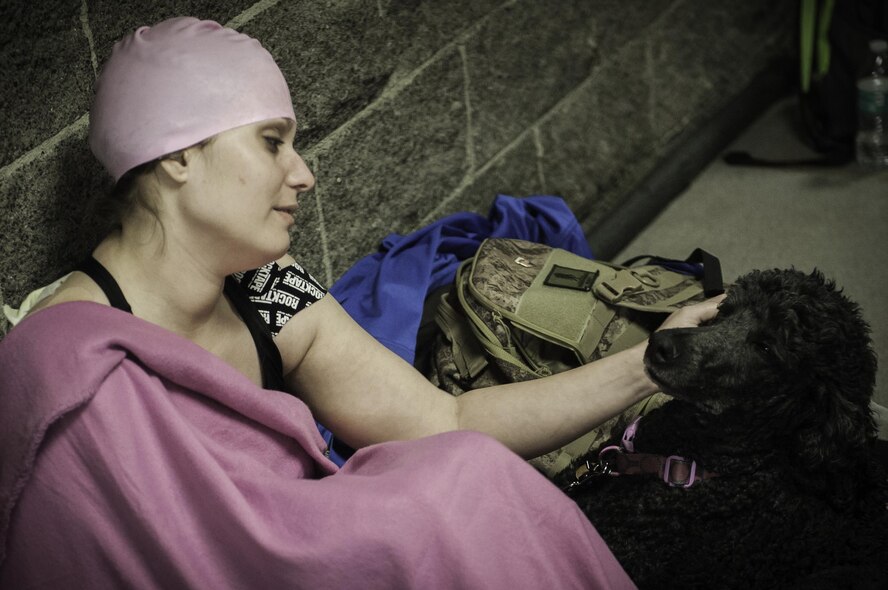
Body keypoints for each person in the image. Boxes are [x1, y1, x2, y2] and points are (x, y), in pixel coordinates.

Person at [0, 17, 722, 589]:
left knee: (464, 474)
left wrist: (652, 363)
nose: (303, 174)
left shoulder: (267, 290)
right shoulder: (67, 365)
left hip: (314, 551)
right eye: (272, 142)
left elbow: (448, 421)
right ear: (178, 156)